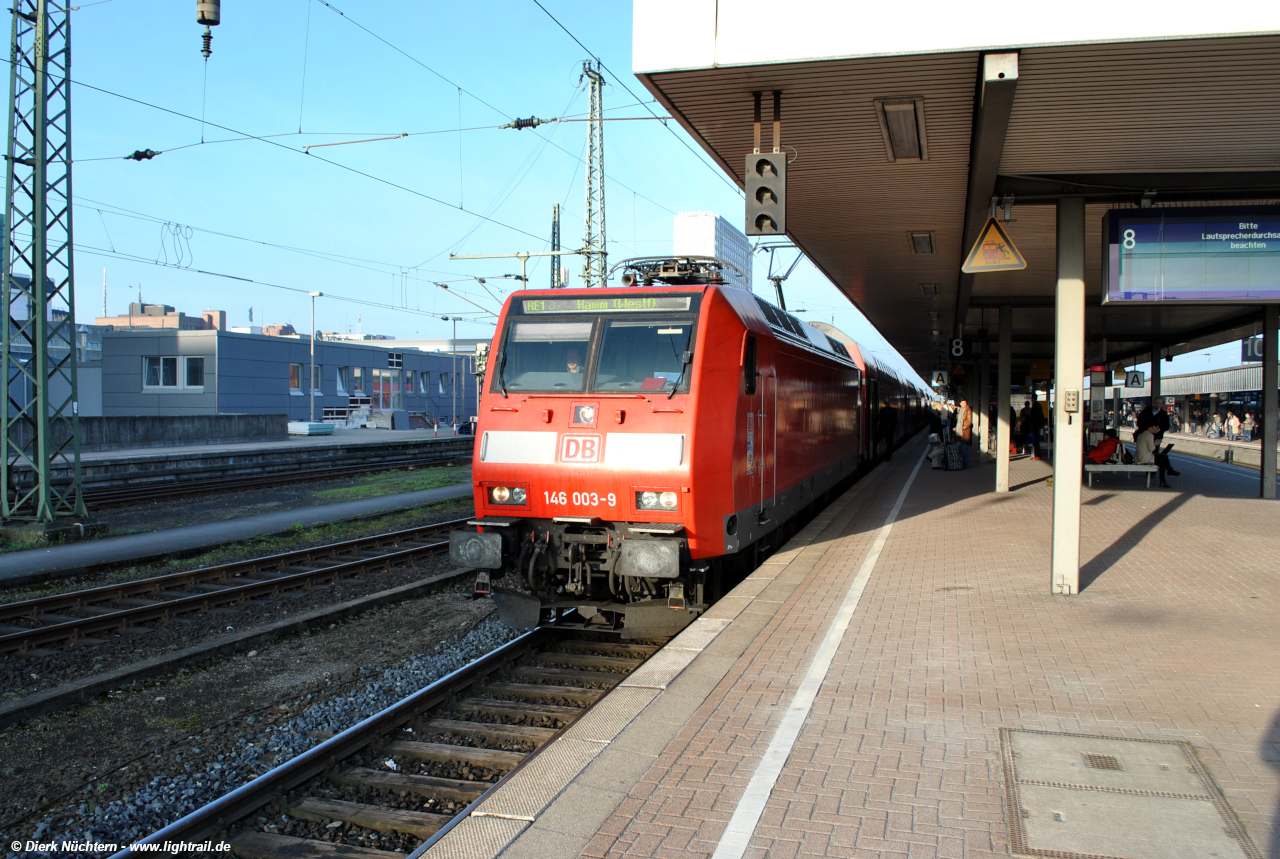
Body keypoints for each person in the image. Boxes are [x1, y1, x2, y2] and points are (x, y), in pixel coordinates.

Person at [955, 397, 973, 468]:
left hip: (963, 432)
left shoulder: (968, 410)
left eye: (965, 403)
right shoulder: (961, 410)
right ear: (960, 403)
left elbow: (969, 420)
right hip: (959, 430)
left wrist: (964, 427)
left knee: (957, 447)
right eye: (962, 403)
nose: (963, 404)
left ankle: (957, 462)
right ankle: (966, 463)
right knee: (964, 448)